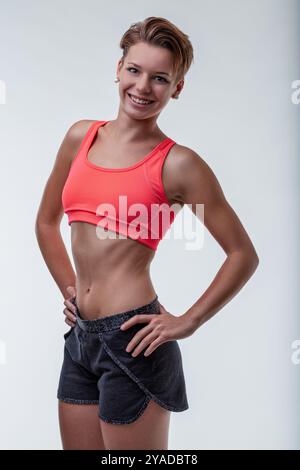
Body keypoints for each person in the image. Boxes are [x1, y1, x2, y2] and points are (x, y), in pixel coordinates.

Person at [35, 16, 259, 450]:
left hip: (134, 340)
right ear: (118, 69)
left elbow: (242, 254)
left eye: (160, 78)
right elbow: (46, 222)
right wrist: (70, 290)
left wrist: (189, 321)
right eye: (134, 71)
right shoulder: (80, 137)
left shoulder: (178, 164)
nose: (142, 87)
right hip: (79, 339)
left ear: (177, 88)